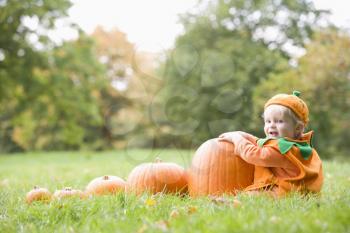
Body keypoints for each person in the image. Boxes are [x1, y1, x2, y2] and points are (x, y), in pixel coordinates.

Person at [218, 91, 323, 197]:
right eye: (268, 121)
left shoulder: (284, 150)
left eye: (279, 121)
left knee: (250, 196)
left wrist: (237, 139)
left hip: (287, 192)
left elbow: (254, 154)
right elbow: (262, 142)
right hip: (300, 190)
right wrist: (243, 135)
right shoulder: (297, 145)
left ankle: (230, 204)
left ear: (298, 128)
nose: (271, 125)